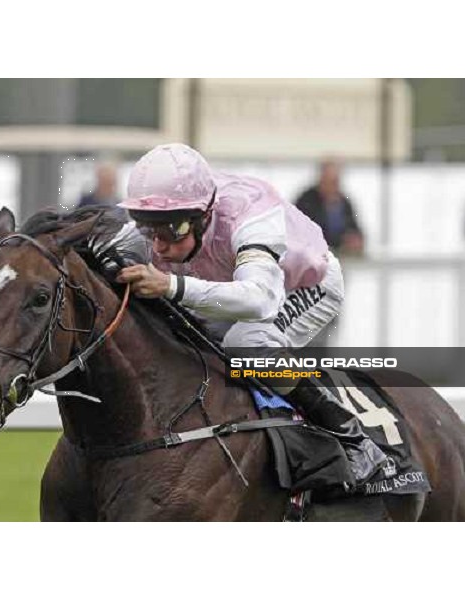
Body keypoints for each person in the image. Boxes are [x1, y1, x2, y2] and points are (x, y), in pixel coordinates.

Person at [115, 143, 386, 485]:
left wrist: (170, 284)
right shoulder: (174, 209)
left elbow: (259, 300)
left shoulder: (249, 216)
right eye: (148, 228)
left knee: (246, 344)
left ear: (204, 215)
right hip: (232, 282)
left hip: (302, 285)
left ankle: (352, 437)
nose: (158, 246)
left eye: (171, 231)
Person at [294, 160, 364, 255]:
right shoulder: (306, 201)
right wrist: (340, 241)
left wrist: (355, 238)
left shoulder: (344, 201)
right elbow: (307, 232)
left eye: (336, 182)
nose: (333, 187)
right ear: (321, 179)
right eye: (330, 182)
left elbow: (354, 226)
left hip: (341, 257)